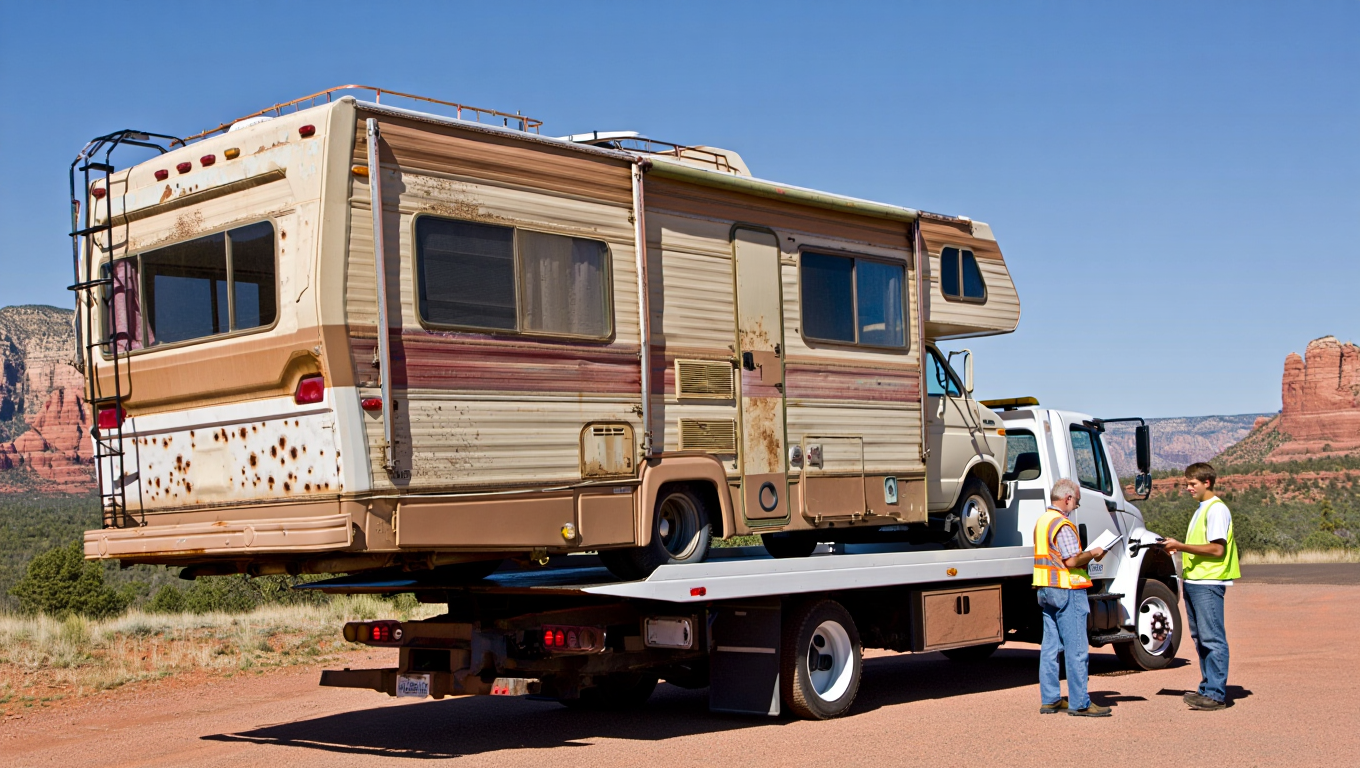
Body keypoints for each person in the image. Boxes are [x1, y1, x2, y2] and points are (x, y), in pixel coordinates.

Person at [1162, 462, 1239, 711]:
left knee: (1212, 638)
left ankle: (1216, 694)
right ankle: (1207, 688)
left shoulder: (1216, 510)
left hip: (1208, 583)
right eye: (1186, 484)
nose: (1188, 488)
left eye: (1192, 484)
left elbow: (1217, 549)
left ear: (1207, 483)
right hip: (1195, 581)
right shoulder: (1202, 509)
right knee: (1200, 639)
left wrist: (1181, 546)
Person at [1033, 478, 1109, 717]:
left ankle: (1051, 699)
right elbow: (1072, 560)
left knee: (1050, 648)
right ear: (1067, 498)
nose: (1076, 506)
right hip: (1067, 590)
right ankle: (1080, 702)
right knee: (1076, 649)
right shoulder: (1062, 524)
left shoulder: (1043, 521)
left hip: (1046, 589)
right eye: (1076, 502)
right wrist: (1094, 553)